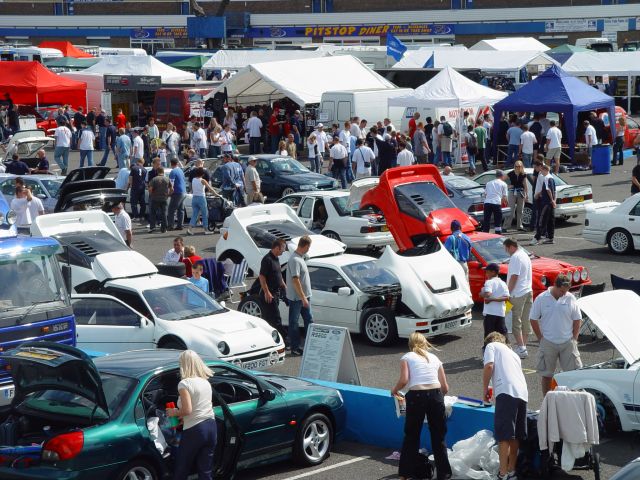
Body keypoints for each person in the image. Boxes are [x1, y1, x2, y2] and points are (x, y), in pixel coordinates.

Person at [392, 332, 452, 480]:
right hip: (436, 395)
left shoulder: (407, 357)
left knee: (412, 436)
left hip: (416, 396)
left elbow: (404, 380)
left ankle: (406, 474)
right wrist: (437, 397)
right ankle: (444, 475)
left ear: (410, 344)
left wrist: (394, 390)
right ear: (425, 343)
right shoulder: (435, 358)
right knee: (439, 437)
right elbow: (445, 388)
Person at [482, 332, 528, 480]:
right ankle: (511, 470)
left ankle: (502, 473)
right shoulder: (513, 354)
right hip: (522, 392)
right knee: (515, 434)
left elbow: (489, 366)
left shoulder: (491, 346)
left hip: (506, 391)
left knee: (504, 435)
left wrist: (485, 389)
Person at [166, 350, 217, 480]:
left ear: (183, 364)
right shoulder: (205, 382)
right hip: (211, 427)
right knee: (205, 471)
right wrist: (184, 418)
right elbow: (199, 407)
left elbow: (188, 409)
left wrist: (174, 412)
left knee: (182, 469)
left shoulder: (184, 384)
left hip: (195, 431)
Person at [530, 274, 582, 396]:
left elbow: (577, 319)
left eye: (566, 291)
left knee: (573, 375)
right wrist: (540, 338)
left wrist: (574, 339)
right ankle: (547, 402)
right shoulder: (541, 298)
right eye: (562, 291)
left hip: (567, 342)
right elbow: (533, 318)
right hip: (548, 342)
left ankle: (572, 401)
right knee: (547, 376)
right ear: (555, 286)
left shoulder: (570, 298)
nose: (564, 294)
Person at [503, 238, 533, 359]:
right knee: (526, 320)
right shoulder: (525, 255)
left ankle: (521, 347)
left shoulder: (515, 257)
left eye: (506, 249)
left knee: (516, 321)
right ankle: (523, 346)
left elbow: (514, 277)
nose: (506, 251)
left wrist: (507, 292)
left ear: (510, 247)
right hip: (528, 291)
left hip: (517, 294)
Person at [286, 235, 313, 356]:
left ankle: (310, 344)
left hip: (303, 297)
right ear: (306, 246)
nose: (309, 249)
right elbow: (295, 280)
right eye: (309, 247)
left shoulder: (300, 258)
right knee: (294, 322)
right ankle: (295, 347)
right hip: (298, 298)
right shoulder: (295, 260)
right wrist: (303, 298)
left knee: (309, 320)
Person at [259, 238, 288, 343]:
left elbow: (278, 276)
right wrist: (267, 292)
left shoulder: (276, 259)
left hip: (275, 293)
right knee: (275, 319)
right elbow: (262, 277)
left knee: (272, 319)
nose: (284, 251)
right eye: (283, 248)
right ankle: (284, 339)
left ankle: (272, 339)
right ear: (277, 248)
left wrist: (284, 286)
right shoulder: (267, 259)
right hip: (268, 295)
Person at [480, 263, 510, 342]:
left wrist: (481, 294)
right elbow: (507, 297)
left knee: (489, 335)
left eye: (487, 271)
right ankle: (506, 349)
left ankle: (487, 351)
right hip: (500, 313)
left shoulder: (489, 282)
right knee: (503, 334)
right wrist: (493, 299)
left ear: (493, 272)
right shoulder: (503, 283)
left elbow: (488, 294)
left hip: (490, 313)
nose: (486, 273)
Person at [532, 164, 556, 245]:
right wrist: (554, 201)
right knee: (550, 221)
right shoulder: (552, 178)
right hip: (551, 204)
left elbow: (548, 190)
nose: (541, 172)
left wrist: (552, 200)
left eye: (542, 170)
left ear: (545, 170)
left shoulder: (546, 178)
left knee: (541, 221)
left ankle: (536, 238)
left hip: (546, 203)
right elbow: (554, 191)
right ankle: (550, 238)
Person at [187, 167, 215, 236]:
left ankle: (189, 229)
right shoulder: (203, 180)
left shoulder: (193, 179)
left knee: (194, 214)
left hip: (194, 198)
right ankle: (206, 229)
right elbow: (210, 189)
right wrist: (216, 194)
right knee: (205, 214)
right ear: (202, 174)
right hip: (201, 198)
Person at [148, 166, 171, 233]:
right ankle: (164, 229)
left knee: (153, 213)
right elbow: (172, 189)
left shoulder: (154, 179)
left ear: (157, 172)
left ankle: (152, 227)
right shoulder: (167, 179)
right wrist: (168, 195)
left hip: (155, 198)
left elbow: (150, 189)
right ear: (163, 171)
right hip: (164, 198)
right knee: (164, 213)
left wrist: (151, 194)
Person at [507, 161, 528, 232]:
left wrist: (526, 194)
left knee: (520, 210)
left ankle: (519, 226)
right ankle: (506, 226)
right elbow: (502, 180)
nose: (517, 168)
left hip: (521, 192)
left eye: (519, 166)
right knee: (511, 209)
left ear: (521, 166)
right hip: (512, 191)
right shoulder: (511, 173)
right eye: (516, 166)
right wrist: (508, 186)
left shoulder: (523, 174)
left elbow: (525, 185)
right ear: (514, 166)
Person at [128, 158, 147, 223]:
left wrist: (130, 185)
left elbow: (130, 177)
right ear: (143, 163)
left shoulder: (133, 168)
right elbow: (144, 179)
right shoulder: (144, 170)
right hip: (142, 187)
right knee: (142, 203)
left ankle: (136, 217)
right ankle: (141, 216)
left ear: (137, 162)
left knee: (134, 203)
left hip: (135, 187)